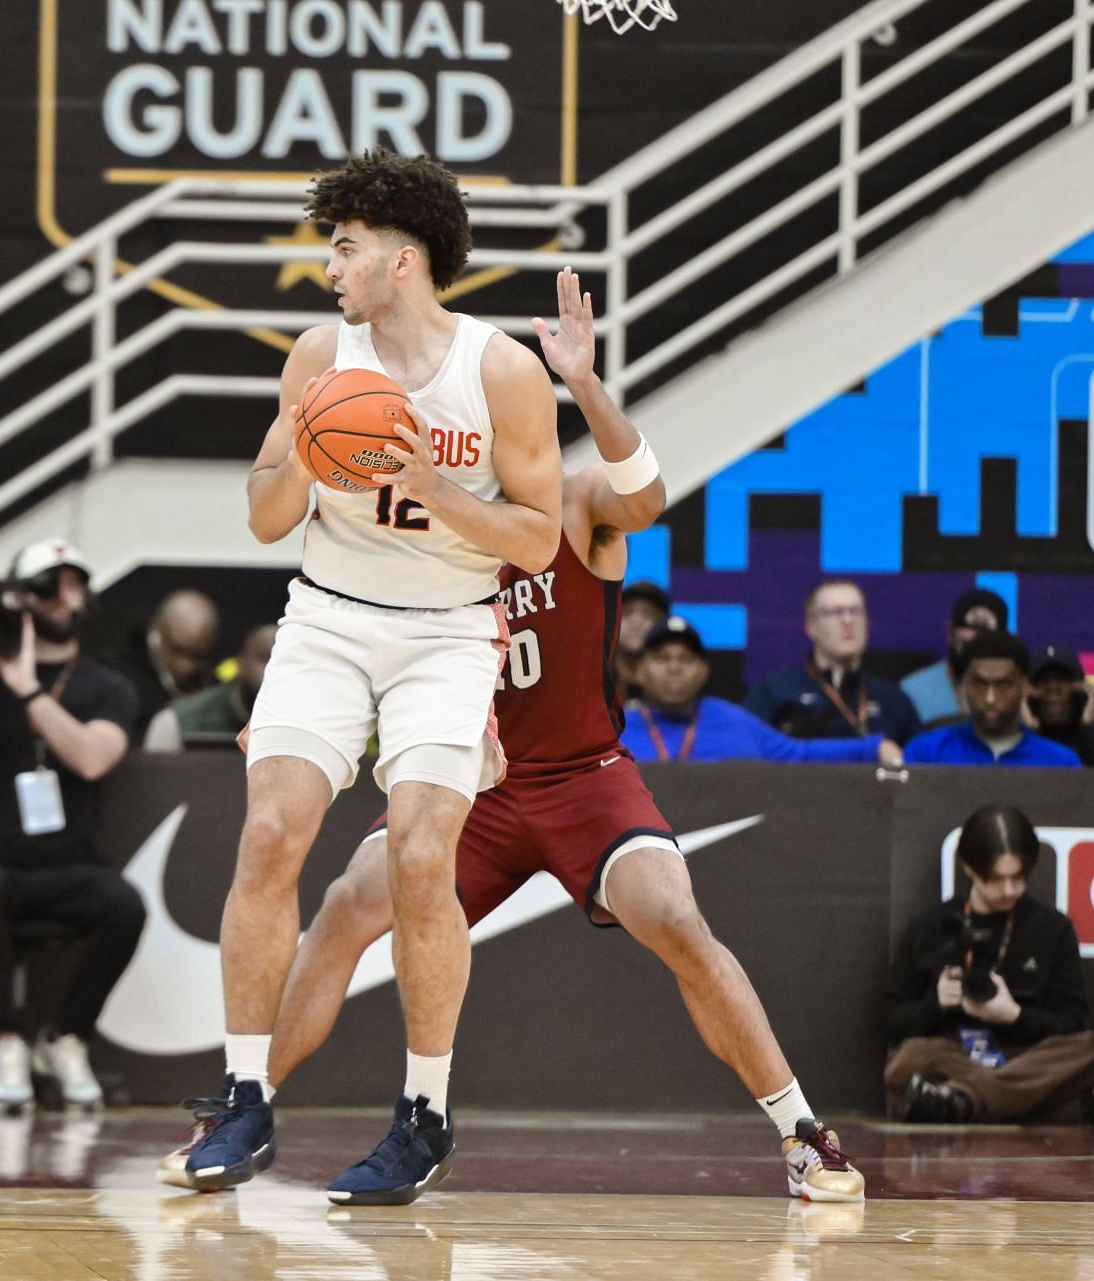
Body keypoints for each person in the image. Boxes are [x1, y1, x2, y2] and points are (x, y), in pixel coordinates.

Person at [172, 267, 863, 1205]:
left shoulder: (568, 505)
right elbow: (361, 619)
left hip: (584, 774)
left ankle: (801, 1132)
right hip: (475, 782)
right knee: (343, 907)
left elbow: (649, 496)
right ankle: (241, 1113)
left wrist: (582, 380)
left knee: (678, 920)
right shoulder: (413, 526)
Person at [179, 150, 567, 1207]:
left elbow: (537, 545)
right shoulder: (320, 353)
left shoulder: (499, 373)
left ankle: (425, 1115)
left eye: (344, 248)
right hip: (328, 617)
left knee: (418, 851)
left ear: (403, 260)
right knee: (269, 836)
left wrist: (433, 483)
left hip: (447, 630)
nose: (329, 267)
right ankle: (245, 1095)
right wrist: (310, 449)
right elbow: (264, 518)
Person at [0, 539, 145, 1113]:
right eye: (47, 585)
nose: (61, 597)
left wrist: (27, 689)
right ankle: (4, 1039)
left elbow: (93, 757)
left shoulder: (108, 686)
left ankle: (66, 1037)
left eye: (72, 583)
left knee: (123, 905)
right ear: (20, 598)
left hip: (66, 864)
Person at [885, 804, 1094, 1123]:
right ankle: (1054, 1107)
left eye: (1018, 877)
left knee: (1091, 1049)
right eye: (995, 879)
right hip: (954, 1056)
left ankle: (959, 1101)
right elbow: (893, 1024)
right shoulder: (928, 927)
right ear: (969, 867)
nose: (1009, 890)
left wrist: (1015, 1015)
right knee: (907, 1060)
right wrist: (935, 1004)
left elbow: (1071, 1024)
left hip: (1024, 1057)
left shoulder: (1053, 928)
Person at [621, 616, 901, 766]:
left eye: (685, 659)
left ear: (704, 670)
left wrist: (872, 747)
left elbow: (800, 755)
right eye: (661, 658)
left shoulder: (734, 721)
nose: (674, 668)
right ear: (639, 669)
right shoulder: (613, 730)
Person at [743, 581, 921, 744]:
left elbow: (919, 767)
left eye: (855, 611)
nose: (847, 620)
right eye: (835, 612)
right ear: (811, 627)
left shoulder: (892, 697)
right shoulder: (775, 689)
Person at [902, 631, 1081, 767]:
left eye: (1003, 685)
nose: (990, 698)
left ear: (1024, 687)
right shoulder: (926, 753)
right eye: (979, 685)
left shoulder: (1060, 762)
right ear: (963, 685)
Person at [143, 623, 276, 752]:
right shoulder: (176, 722)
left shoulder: (295, 720)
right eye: (268, 658)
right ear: (241, 662)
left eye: (292, 663)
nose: (278, 671)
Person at [119, 589, 220, 743]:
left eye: (197, 656)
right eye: (176, 649)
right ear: (156, 628)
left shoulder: (211, 684)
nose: (185, 666)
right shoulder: (119, 675)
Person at [899, 588, 1009, 726]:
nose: (977, 643)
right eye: (967, 643)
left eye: (987, 639)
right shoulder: (913, 690)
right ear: (950, 632)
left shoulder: (1014, 693)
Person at [615, 580, 671, 703]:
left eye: (648, 615)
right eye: (627, 613)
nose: (636, 622)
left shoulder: (679, 688)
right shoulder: (592, 680)